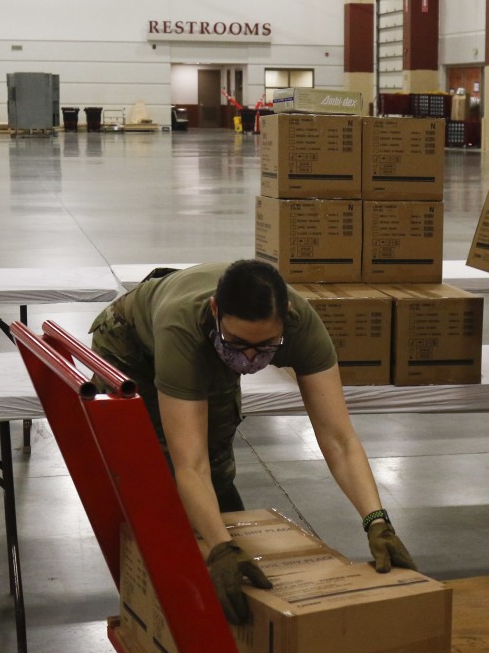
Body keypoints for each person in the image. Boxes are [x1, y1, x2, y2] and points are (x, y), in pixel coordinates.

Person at [90, 260, 415, 624]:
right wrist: (220, 550)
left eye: (265, 346)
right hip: (131, 344)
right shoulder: (183, 328)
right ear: (215, 310)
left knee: (217, 466)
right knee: (160, 470)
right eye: (239, 343)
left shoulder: (302, 327)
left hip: (208, 342)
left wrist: (377, 522)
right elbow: (190, 465)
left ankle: (232, 582)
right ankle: (173, 605)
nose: (249, 358)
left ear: (286, 317)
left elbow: (339, 440)